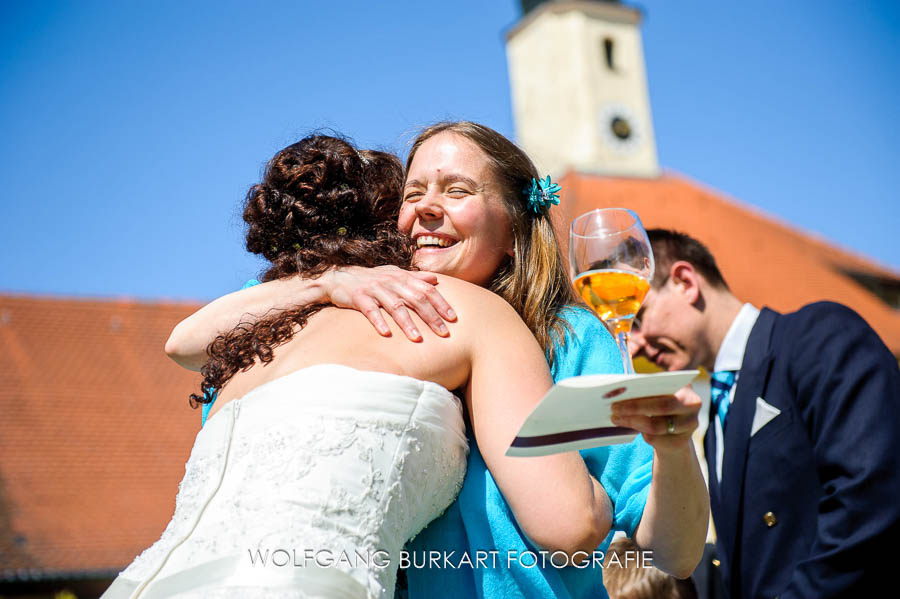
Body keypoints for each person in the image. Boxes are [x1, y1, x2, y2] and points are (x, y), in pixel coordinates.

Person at [165, 122, 710, 598]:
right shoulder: (336, 308)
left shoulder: (571, 339)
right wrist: (331, 280)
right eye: (414, 192)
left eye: (457, 190)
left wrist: (673, 447)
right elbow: (190, 342)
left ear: (515, 227)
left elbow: (674, 555)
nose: (427, 207)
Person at [629, 229, 900, 598]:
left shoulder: (817, 337)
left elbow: (871, 498)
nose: (635, 345)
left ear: (685, 282)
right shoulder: (713, 424)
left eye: (639, 318)